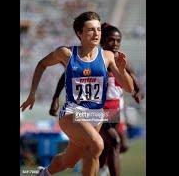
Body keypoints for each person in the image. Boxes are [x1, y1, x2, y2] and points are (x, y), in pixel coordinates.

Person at [20, 11, 134, 176]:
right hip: (72, 113)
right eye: (90, 30)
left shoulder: (107, 56)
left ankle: (44, 173)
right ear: (79, 33)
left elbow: (129, 88)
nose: (96, 34)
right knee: (97, 145)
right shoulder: (66, 53)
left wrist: (122, 71)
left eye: (98, 30)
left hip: (96, 116)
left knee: (69, 160)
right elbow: (41, 64)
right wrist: (32, 94)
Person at [48, 23, 144, 176]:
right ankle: (98, 168)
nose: (115, 44)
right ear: (102, 42)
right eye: (111, 40)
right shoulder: (95, 59)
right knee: (113, 142)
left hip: (116, 111)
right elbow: (66, 75)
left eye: (118, 41)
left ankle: (99, 167)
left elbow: (135, 86)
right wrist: (55, 97)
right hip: (96, 110)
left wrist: (137, 92)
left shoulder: (120, 60)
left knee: (121, 145)